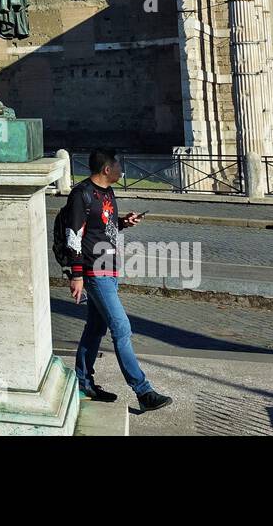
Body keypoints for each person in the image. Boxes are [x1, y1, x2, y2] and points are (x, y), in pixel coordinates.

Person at [54, 148, 172, 412]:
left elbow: (101, 225)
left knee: (95, 328)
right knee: (121, 328)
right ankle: (143, 391)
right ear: (106, 169)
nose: (122, 170)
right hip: (93, 271)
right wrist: (76, 275)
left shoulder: (107, 192)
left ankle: (84, 383)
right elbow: (74, 236)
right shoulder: (81, 195)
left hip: (109, 267)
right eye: (118, 165)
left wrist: (122, 223)